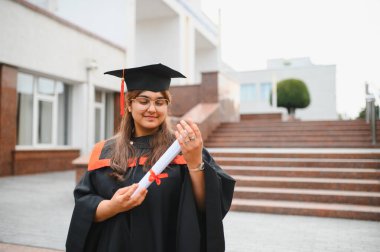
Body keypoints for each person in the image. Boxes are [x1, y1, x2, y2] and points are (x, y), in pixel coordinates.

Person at [66, 63, 236, 252]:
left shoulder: (182, 148)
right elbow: (84, 205)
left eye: (160, 102)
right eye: (144, 101)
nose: (152, 109)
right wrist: (112, 206)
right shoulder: (105, 152)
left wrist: (195, 162)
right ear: (129, 104)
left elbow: (206, 208)